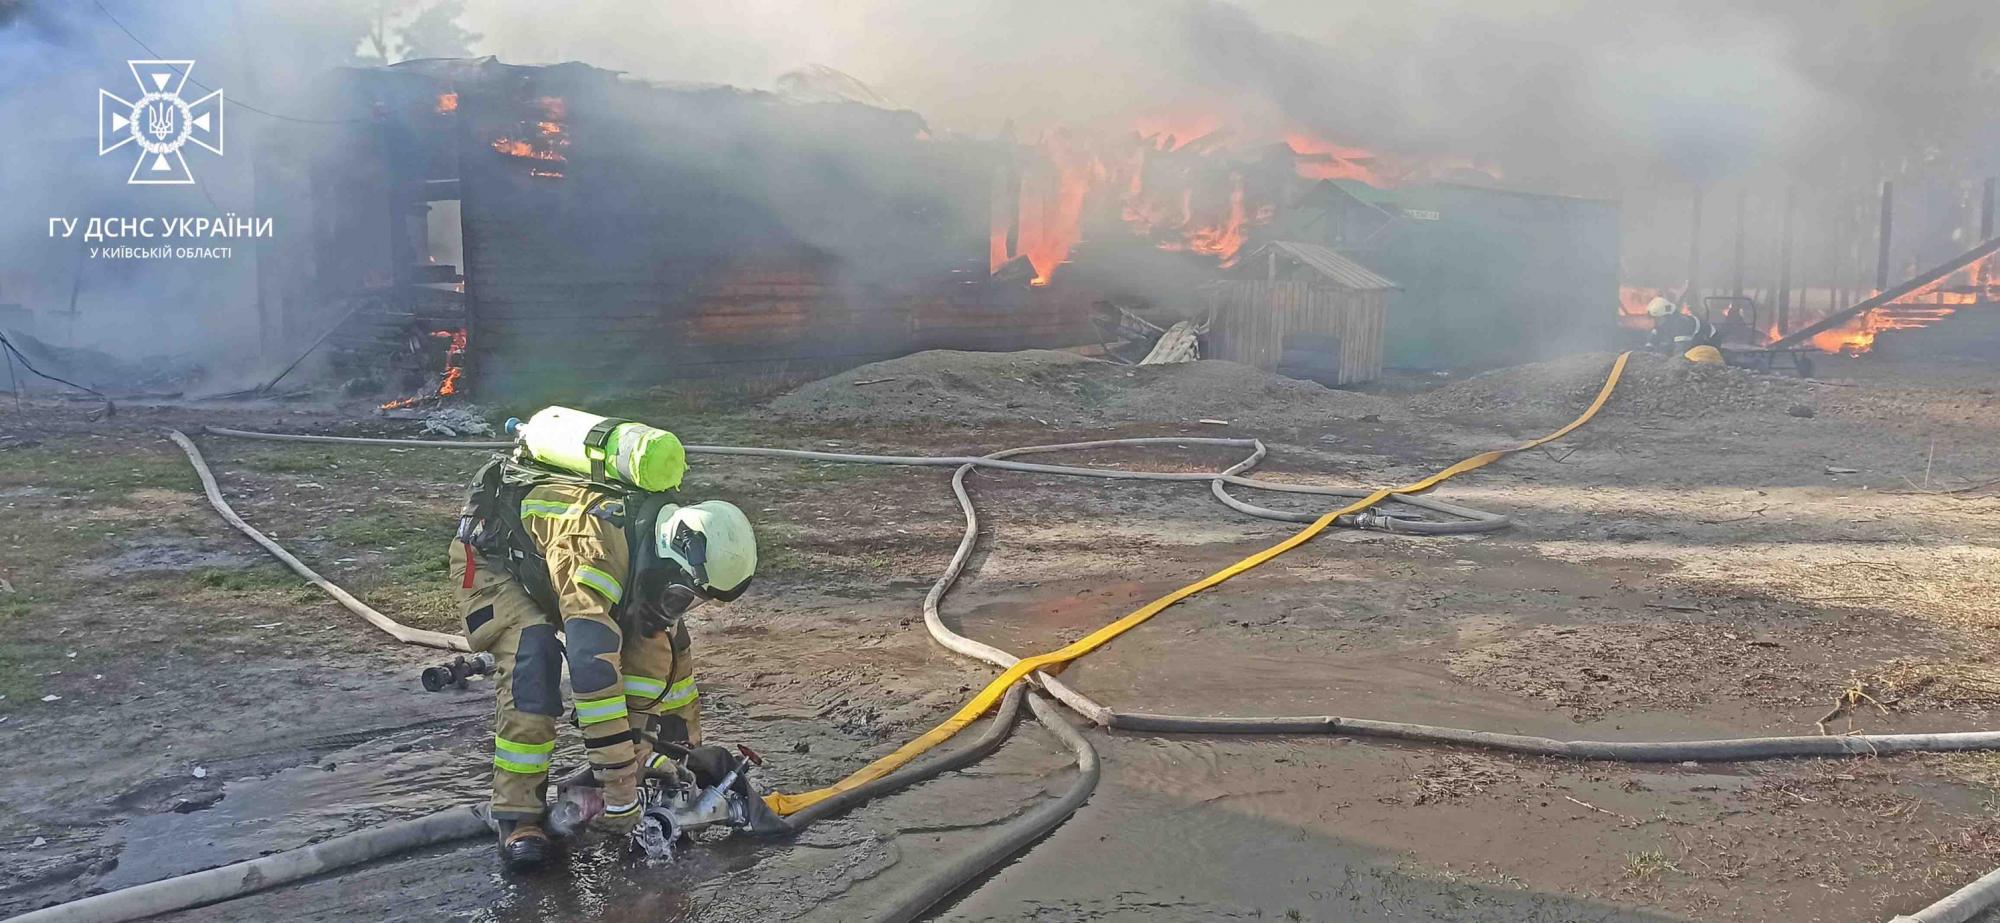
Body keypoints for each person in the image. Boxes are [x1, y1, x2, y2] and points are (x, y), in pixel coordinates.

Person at [449, 467, 757, 871]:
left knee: (664, 649)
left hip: (553, 570)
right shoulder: (594, 547)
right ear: (672, 558)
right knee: (533, 658)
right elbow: (593, 674)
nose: (681, 607)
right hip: (496, 567)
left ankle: (662, 773)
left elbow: (648, 682)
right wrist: (618, 793)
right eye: (683, 595)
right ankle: (518, 816)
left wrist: (663, 770)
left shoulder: (652, 549)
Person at [1645, 296, 1717, 354]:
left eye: (1655, 318)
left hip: (1709, 341)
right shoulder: (1662, 324)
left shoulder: (1681, 324)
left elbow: (1680, 351)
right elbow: (1652, 342)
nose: (1653, 321)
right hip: (1691, 342)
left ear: (1665, 316)